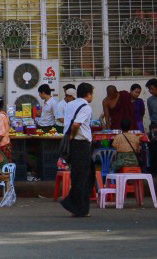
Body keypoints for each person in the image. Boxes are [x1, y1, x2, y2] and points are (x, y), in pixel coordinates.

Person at [61, 82, 95, 218]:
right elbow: (76, 124)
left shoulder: (70, 105)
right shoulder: (86, 107)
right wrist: (72, 136)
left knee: (79, 175)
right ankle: (77, 206)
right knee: (83, 176)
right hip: (81, 144)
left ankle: (78, 206)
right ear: (88, 94)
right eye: (92, 93)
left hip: (74, 145)